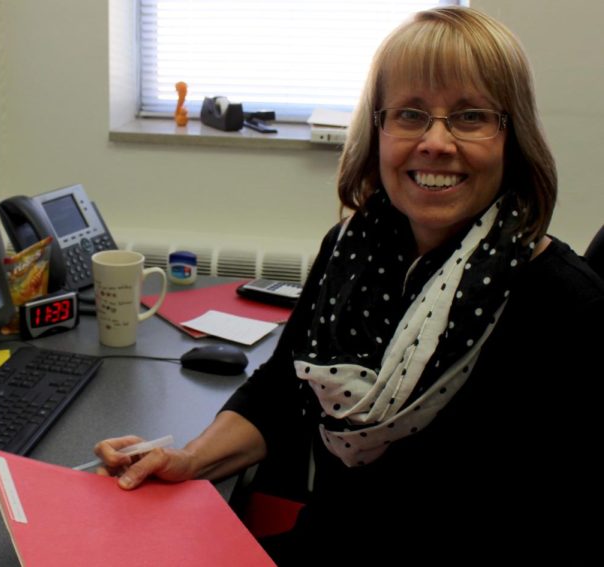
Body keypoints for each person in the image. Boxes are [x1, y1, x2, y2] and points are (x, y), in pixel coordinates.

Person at [94, 5, 604, 564]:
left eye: (470, 116)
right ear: (378, 130)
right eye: (409, 114)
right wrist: (190, 460)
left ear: (513, 136)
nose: (435, 142)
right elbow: (284, 392)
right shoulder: (350, 252)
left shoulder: (565, 303)